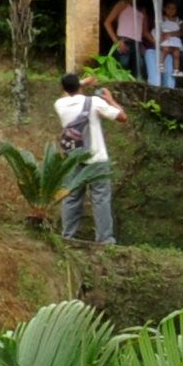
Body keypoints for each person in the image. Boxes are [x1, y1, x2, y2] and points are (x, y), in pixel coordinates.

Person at [52, 66, 126, 246]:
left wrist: (80, 84)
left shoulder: (60, 105)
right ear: (79, 86)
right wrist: (110, 100)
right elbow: (122, 117)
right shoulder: (94, 102)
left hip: (73, 158)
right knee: (100, 199)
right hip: (97, 159)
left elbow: (68, 93)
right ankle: (104, 240)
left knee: (71, 198)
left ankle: (67, 237)